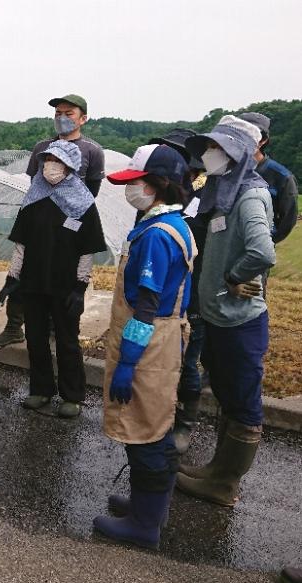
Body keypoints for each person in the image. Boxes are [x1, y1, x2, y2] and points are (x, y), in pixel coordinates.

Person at [92, 144, 196, 549]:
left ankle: (144, 525)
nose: (129, 190)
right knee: (154, 425)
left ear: (157, 185)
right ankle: (148, 505)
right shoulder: (173, 223)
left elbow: (146, 309)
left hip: (149, 343)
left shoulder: (156, 235)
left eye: (135, 183)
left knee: (146, 431)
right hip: (163, 337)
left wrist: (128, 362)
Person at [176, 115, 276, 507]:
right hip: (219, 315)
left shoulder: (249, 195)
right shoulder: (223, 189)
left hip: (239, 321)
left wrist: (235, 276)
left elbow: (262, 251)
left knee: (243, 402)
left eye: (217, 148)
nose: (210, 155)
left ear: (237, 152)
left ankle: (224, 483)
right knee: (228, 394)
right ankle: (217, 468)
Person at [0, 140, 105, 418]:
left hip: (65, 284)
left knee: (67, 341)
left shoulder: (83, 202)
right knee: (36, 337)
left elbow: (87, 250)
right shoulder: (34, 196)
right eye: (46, 161)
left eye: (56, 162)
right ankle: (41, 389)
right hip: (33, 282)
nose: (49, 167)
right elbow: (21, 243)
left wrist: (81, 286)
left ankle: (72, 395)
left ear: (69, 167)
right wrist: (12, 277)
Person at [0, 94, 105, 348]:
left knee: (62, 279)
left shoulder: (92, 151)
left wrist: (70, 209)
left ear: (83, 118)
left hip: (69, 223)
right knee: (24, 272)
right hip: (40, 217)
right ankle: (13, 327)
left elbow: (92, 190)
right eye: (58, 114)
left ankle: (55, 329)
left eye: (69, 113)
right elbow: (35, 184)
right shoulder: (42, 147)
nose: (62, 118)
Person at [147, 129, 209, 453]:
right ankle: (158, 415)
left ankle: (185, 421)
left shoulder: (204, 195)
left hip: (192, 292)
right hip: (159, 292)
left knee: (187, 360)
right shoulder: (159, 193)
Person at [238, 112, 299, 244]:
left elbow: (288, 219)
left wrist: (267, 242)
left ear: (263, 140)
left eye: (251, 136)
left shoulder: (282, 177)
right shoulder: (226, 170)